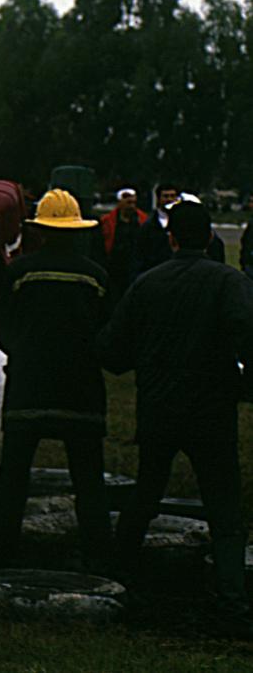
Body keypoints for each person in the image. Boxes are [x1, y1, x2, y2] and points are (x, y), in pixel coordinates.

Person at [98, 199, 253, 638]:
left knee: (146, 495)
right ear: (209, 237)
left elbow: (112, 350)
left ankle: (118, 578)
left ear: (170, 239)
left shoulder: (147, 284)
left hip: (159, 409)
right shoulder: (230, 282)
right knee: (224, 511)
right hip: (211, 412)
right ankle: (231, 603)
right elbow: (249, 340)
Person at [0, 188, 113, 568]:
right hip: (81, 394)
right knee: (89, 482)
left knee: (13, 479)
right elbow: (107, 335)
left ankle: (1, 557)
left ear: (40, 230)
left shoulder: (18, 274)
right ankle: (98, 560)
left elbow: (1, 333)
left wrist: (25, 353)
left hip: (27, 390)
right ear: (77, 230)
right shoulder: (96, 278)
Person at [99, 187, 148, 305]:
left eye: (134, 203)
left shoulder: (143, 220)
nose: (131, 206)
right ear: (120, 202)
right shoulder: (107, 221)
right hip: (114, 267)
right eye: (128, 202)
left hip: (136, 266)